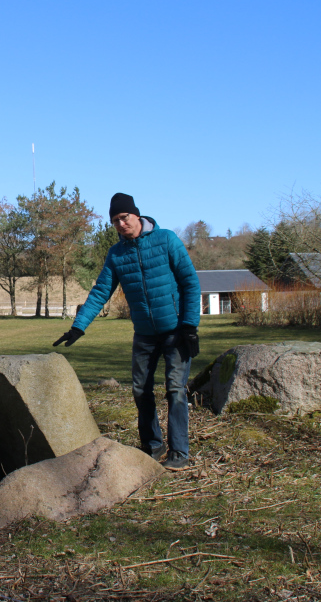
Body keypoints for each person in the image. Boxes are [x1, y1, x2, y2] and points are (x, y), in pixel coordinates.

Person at [54, 193, 201, 469]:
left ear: (136, 215)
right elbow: (100, 292)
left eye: (124, 217)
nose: (121, 224)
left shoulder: (166, 240)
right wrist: (78, 327)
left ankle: (179, 452)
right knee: (139, 389)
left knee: (176, 390)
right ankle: (152, 447)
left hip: (176, 331)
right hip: (145, 334)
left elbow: (190, 283)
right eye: (115, 221)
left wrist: (190, 326)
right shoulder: (117, 254)